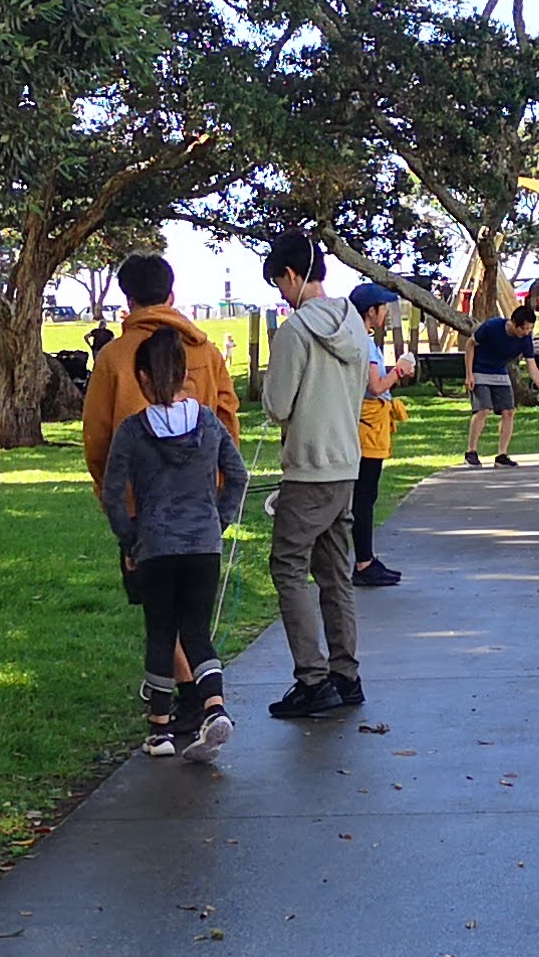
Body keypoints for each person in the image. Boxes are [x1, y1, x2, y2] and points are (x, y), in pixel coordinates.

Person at [98, 327, 245, 757]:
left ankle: (160, 732)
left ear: (142, 378)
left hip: (155, 544)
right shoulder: (208, 422)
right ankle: (215, 706)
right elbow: (237, 474)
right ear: (185, 374)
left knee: (161, 633)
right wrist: (218, 521)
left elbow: (112, 492)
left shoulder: (132, 431)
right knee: (197, 631)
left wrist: (129, 539)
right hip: (203, 543)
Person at [258, 231, 370, 720]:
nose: (281, 294)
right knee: (334, 573)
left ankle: (312, 678)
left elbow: (277, 404)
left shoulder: (295, 330)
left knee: (286, 567)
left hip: (307, 470)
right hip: (348, 464)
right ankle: (346, 674)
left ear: (292, 275)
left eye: (279, 284)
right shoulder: (355, 322)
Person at [81, 253, 241, 490]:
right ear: (171, 297)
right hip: (201, 494)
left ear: (129, 301)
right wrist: (219, 485)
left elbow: (97, 436)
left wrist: (114, 494)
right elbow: (227, 421)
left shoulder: (112, 357)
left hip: (137, 498)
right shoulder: (208, 353)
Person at [348, 282, 410, 587]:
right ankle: (363, 562)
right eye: (383, 307)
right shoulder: (366, 344)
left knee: (360, 496)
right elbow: (375, 387)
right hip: (368, 427)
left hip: (360, 424)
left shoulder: (353, 337)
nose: (385, 312)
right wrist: (399, 371)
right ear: (371, 311)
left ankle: (365, 558)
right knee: (363, 496)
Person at [464, 296, 539, 466]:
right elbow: (470, 345)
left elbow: (532, 367)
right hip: (480, 370)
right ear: (514, 324)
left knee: (509, 411)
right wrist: (469, 374)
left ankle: (502, 455)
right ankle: (471, 451)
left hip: (500, 372)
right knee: (483, 410)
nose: (526, 333)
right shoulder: (492, 326)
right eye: (524, 329)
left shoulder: (525, 339)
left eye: (530, 329)